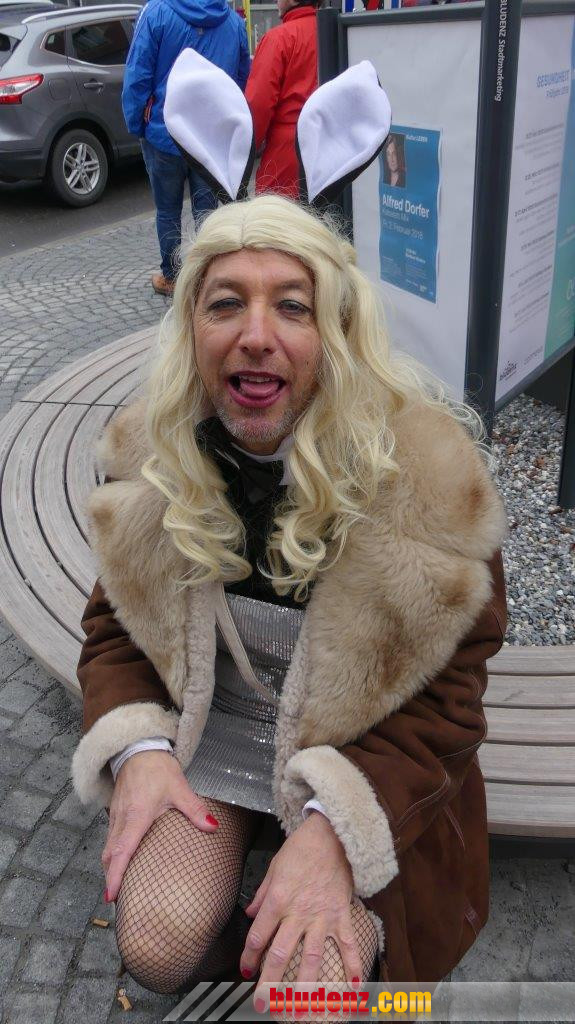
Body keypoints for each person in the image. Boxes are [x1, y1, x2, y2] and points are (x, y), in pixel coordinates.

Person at [72, 195, 507, 1011]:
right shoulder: (155, 455)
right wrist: (140, 753)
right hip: (218, 728)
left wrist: (337, 829)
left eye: (292, 306)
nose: (256, 334)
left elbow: (450, 699)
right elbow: (116, 629)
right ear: (190, 328)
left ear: (337, 332)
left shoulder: (428, 485)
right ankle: (239, 948)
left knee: (313, 997)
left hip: (362, 753)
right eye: (225, 303)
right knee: (157, 942)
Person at [122, 0, 250, 297]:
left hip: (164, 132)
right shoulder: (232, 21)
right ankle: (207, 277)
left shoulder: (156, 13)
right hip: (209, 136)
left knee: (168, 210)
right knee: (207, 211)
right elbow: (241, 76)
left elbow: (138, 74)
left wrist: (137, 124)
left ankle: (172, 276)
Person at [245, 0, 320, 198]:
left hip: (286, 153)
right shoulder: (332, 31)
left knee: (275, 214)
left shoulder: (278, 38)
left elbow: (258, 106)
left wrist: (244, 151)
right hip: (327, 147)